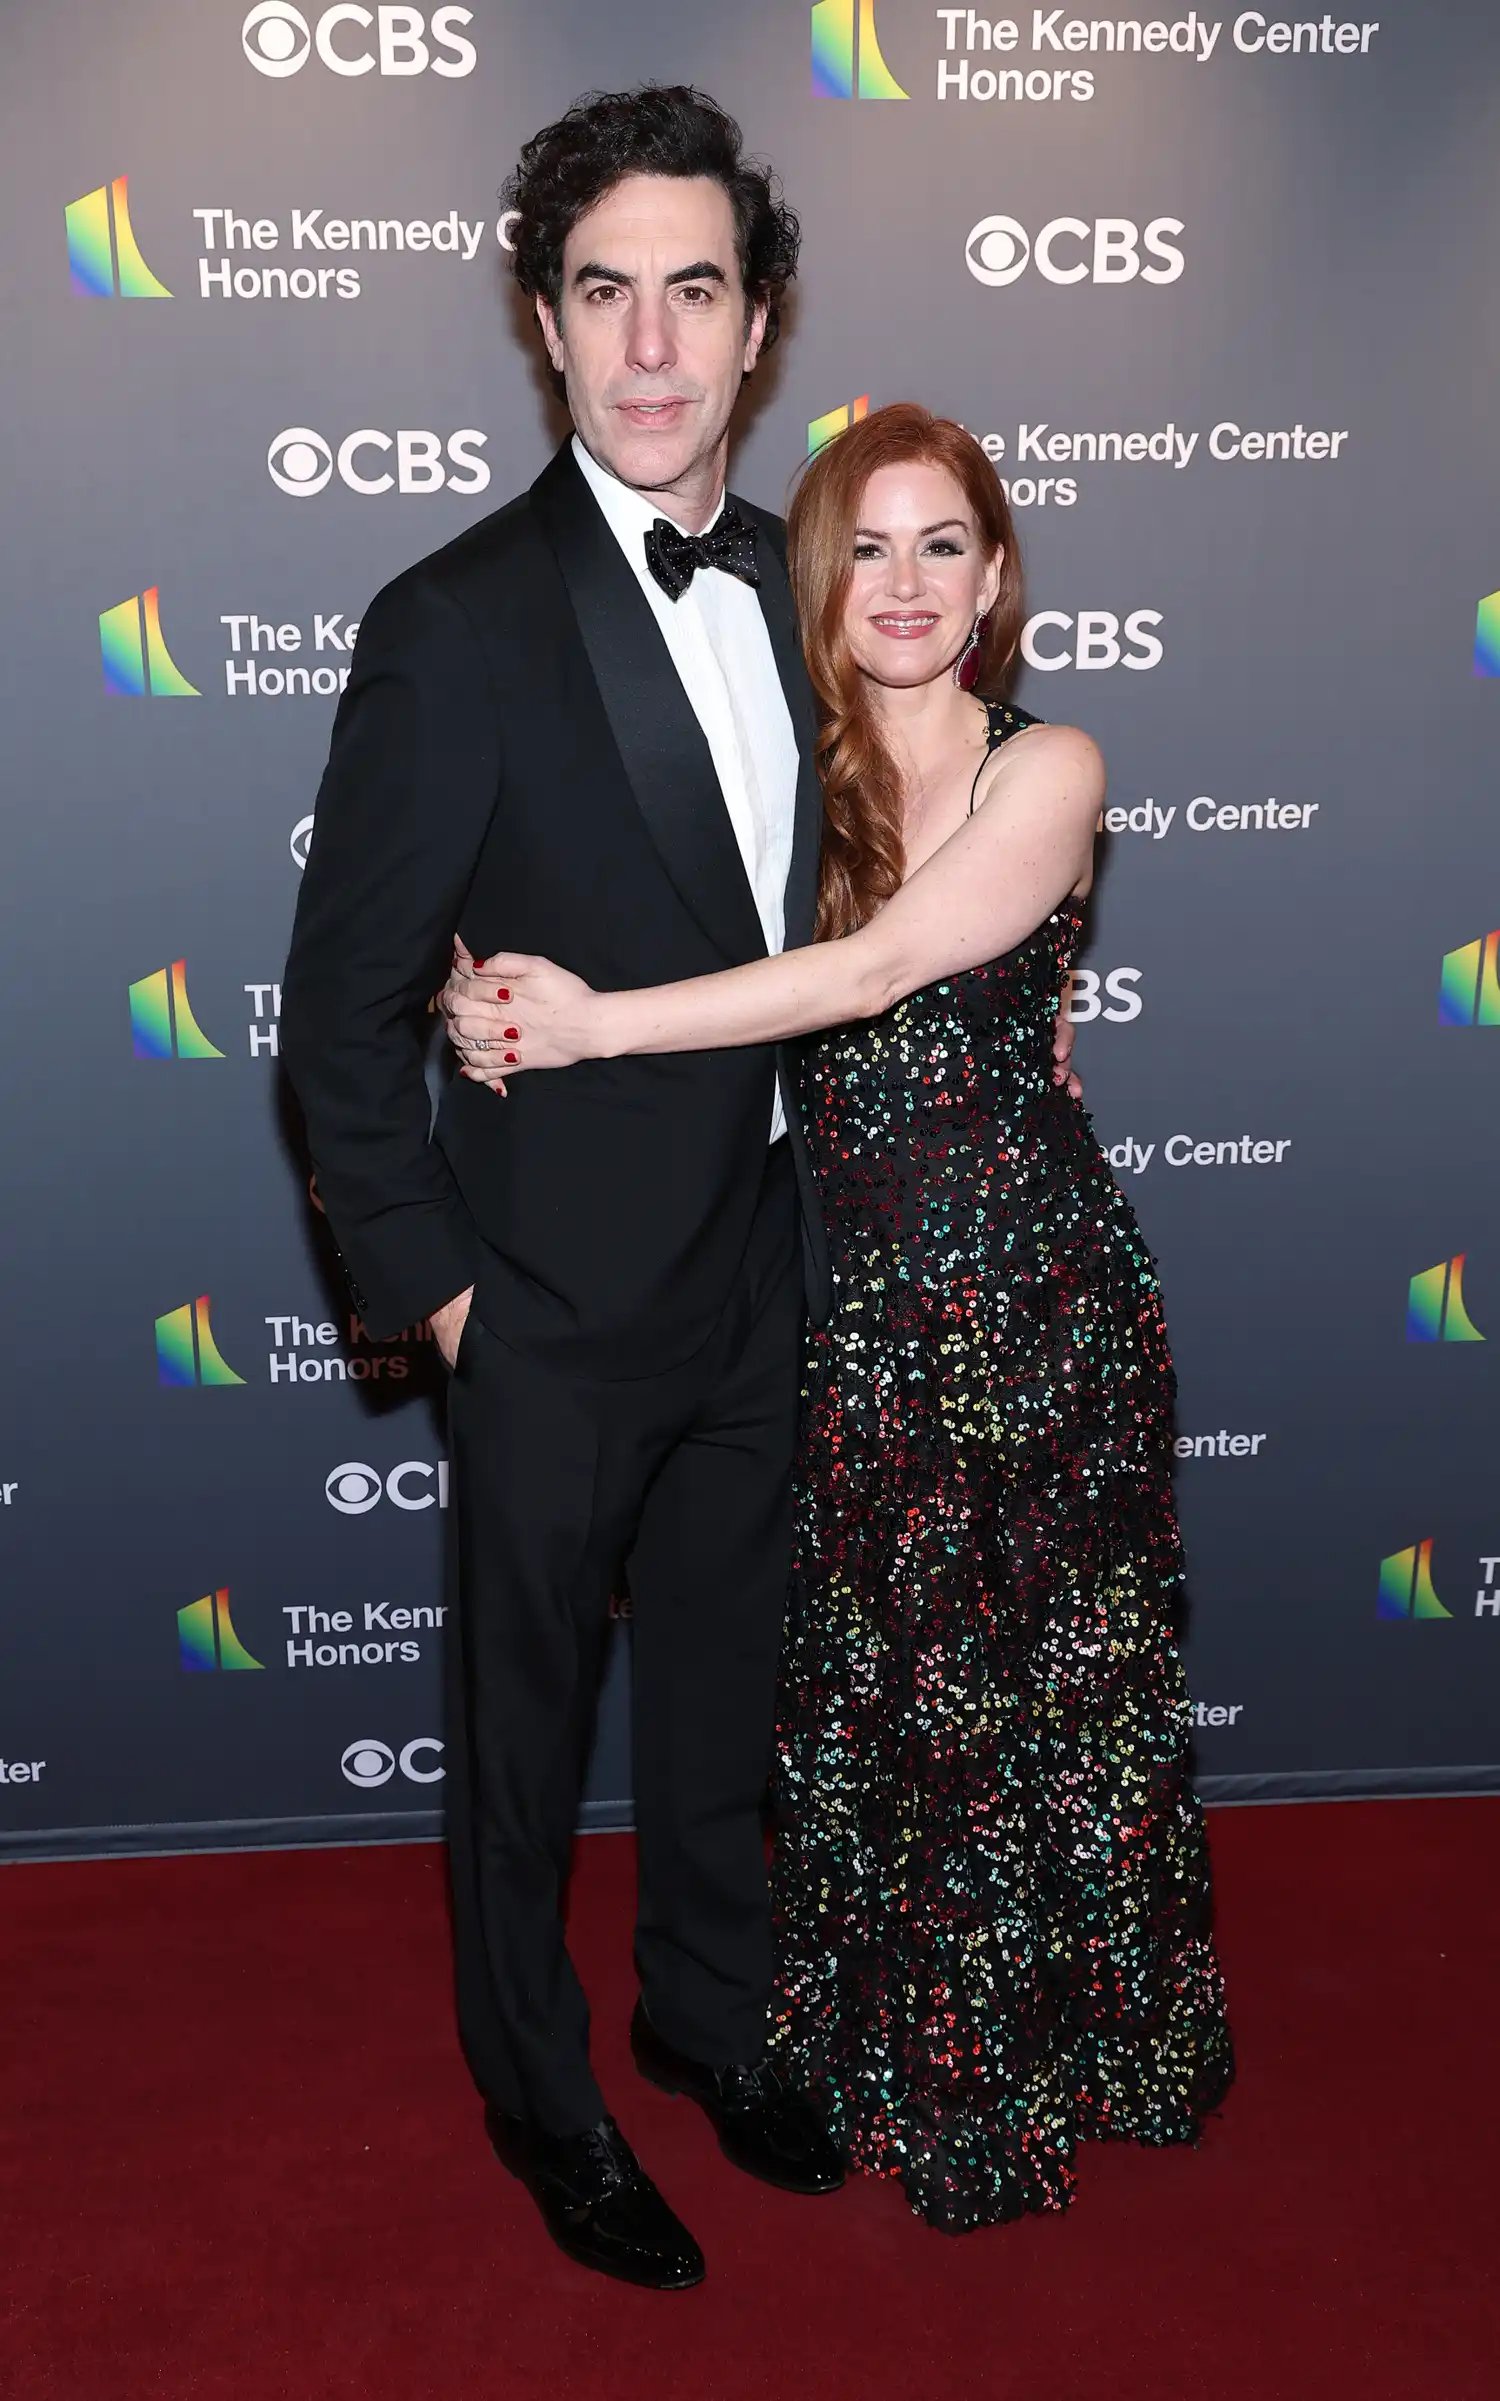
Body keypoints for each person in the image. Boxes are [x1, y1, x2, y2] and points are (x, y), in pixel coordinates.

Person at [441, 403, 1235, 2232]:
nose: (902, 583)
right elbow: (579, 866)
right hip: (833, 1295)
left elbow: (875, 969)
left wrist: (595, 1022)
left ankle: (1064, 2040)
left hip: (1028, 1298)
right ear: (820, 574)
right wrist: (476, 990)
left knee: (1045, 1688)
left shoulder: (1054, 762)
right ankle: (850, 2030)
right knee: (873, 1692)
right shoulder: (784, 766)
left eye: (941, 543)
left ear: (998, 574)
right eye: (865, 547)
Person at [280, 87, 855, 2292]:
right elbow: (337, 1017)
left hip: (764, 1269)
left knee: (724, 1690)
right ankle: (539, 2090)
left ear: (758, 317)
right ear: (542, 321)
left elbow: (863, 916)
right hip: (540, 1296)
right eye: (601, 291)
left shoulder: (815, 582)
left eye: (691, 290)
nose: (648, 346)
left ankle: (705, 2011)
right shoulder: (457, 620)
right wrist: (440, 1302)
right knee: (526, 1740)